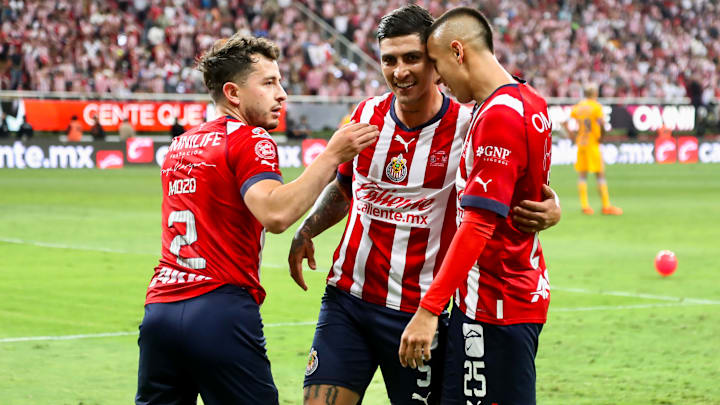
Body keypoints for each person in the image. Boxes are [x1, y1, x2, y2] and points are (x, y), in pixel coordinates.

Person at [288, 5, 561, 405]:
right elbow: (344, 187)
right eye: (389, 60)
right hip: (348, 299)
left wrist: (552, 208)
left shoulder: (471, 125)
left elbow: (508, 191)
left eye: (412, 58)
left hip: (418, 310)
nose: (400, 71)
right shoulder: (365, 115)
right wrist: (308, 228)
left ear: (436, 63)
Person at [135, 34, 378, 405]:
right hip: (219, 310)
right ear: (233, 93)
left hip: (160, 311)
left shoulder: (181, 144)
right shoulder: (250, 139)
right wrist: (331, 156)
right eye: (269, 83)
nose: (282, 93)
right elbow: (276, 213)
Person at [398, 8, 553, 405]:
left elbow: (479, 224)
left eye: (437, 65)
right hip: (502, 296)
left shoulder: (499, 116)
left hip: (496, 304)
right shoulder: (528, 99)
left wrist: (429, 310)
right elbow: (528, 191)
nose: (438, 79)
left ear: (458, 52)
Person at [561, 83, 622, 215]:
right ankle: (606, 205)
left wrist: (573, 137)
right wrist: (602, 137)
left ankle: (585, 206)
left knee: (582, 176)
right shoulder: (596, 107)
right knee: (600, 174)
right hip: (592, 144)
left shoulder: (579, 107)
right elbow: (603, 124)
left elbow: (565, 123)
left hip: (581, 144)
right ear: (595, 94)